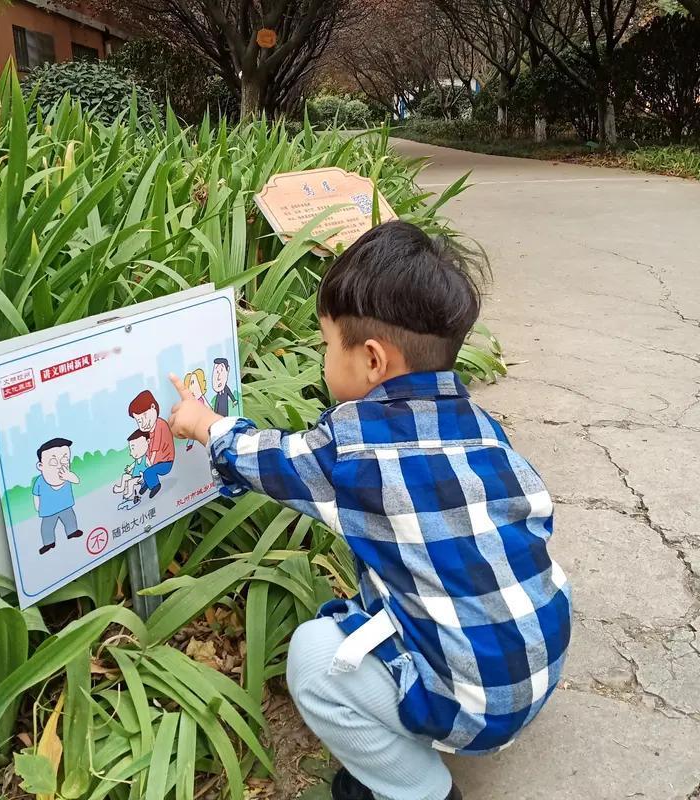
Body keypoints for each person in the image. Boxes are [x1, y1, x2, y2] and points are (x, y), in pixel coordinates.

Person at [167, 221, 572, 800]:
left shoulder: (354, 454)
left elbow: (271, 460)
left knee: (314, 659)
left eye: (328, 344)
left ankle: (419, 789)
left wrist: (203, 425)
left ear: (373, 360)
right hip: (539, 653)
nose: (322, 356)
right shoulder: (482, 430)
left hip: (477, 701)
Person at [32, 437, 82, 555]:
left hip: (66, 505)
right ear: (41, 466)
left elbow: (76, 480)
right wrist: (37, 507)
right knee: (47, 527)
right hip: (49, 510)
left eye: (65, 460)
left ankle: (72, 532)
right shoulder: (40, 481)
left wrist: (69, 476)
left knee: (70, 519)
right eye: (53, 462)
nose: (60, 465)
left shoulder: (67, 476)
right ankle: (48, 543)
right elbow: (36, 494)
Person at [128, 390, 174, 499]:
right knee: (146, 472)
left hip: (165, 462)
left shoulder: (160, 425)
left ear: (153, 407)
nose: (142, 423)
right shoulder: (149, 431)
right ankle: (146, 485)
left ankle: (155, 486)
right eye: (139, 421)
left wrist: (151, 462)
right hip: (157, 462)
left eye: (144, 417)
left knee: (149, 472)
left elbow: (155, 448)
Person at [112, 429, 149, 508]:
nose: (131, 452)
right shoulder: (137, 460)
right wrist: (129, 468)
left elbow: (150, 467)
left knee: (130, 482)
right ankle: (121, 488)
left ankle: (127, 496)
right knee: (125, 476)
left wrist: (145, 476)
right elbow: (133, 465)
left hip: (142, 478)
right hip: (135, 475)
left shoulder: (145, 458)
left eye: (133, 448)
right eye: (131, 449)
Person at [183, 368, 211, 451]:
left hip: (203, 419)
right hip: (195, 420)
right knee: (192, 433)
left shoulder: (201, 399)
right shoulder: (191, 402)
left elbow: (207, 405)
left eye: (193, 383)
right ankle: (190, 445)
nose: (191, 388)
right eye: (189, 385)